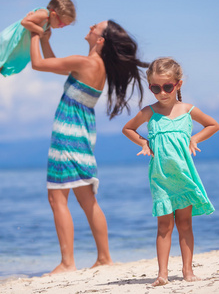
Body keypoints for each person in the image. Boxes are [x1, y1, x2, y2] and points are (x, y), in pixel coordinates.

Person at [30, 21, 148, 274]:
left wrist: (33, 34)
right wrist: (45, 40)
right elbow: (55, 64)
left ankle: (67, 263)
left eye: (96, 26)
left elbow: (39, 64)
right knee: (86, 200)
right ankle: (104, 258)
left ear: (100, 40)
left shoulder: (87, 63)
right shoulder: (94, 65)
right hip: (82, 135)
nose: (90, 26)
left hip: (67, 135)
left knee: (57, 198)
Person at [122, 57, 219, 286]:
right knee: (164, 226)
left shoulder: (187, 110)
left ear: (178, 84)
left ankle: (188, 270)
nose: (162, 93)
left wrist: (194, 138)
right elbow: (128, 129)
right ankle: (162, 274)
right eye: (156, 88)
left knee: (185, 224)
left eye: (167, 87)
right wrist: (144, 143)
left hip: (183, 176)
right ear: (150, 88)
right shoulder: (149, 112)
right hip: (161, 178)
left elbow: (213, 125)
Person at [0, 0, 76, 112]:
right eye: (62, 24)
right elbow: (25, 21)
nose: (62, 27)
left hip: (13, 47)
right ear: (54, 14)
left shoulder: (47, 25)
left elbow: (50, 60)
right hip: (6, 43)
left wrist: (43, 35)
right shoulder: (44, 14)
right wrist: (39, 30)